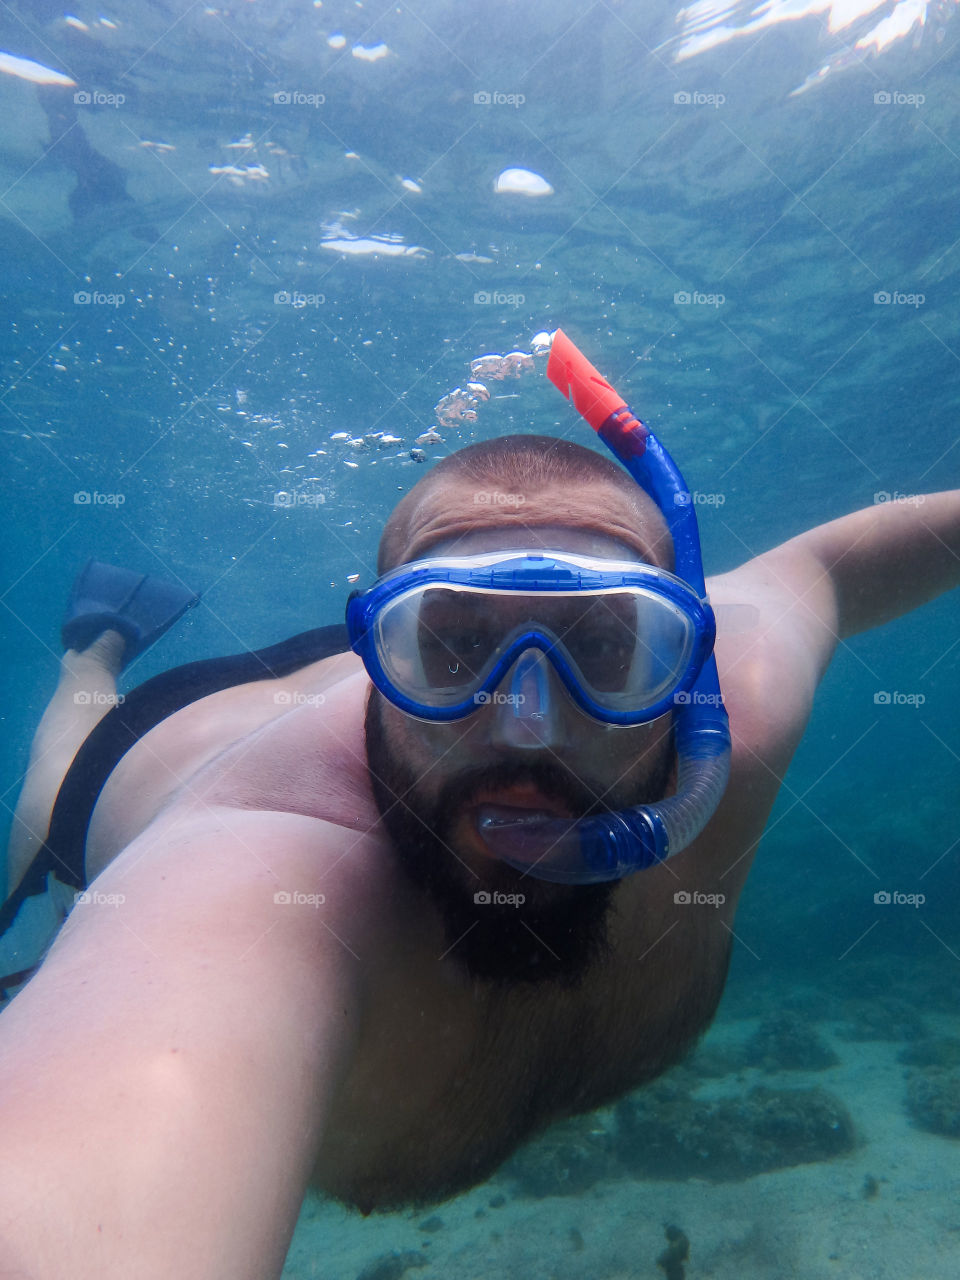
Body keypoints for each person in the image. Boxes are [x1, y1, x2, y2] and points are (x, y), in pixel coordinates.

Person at [0, 333, 957, 1280]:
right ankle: (95, 650)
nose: (527, 730)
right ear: (379, 656)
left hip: (408, 674)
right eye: (456, 641)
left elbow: (835, 565)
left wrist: (456, 650)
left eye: (601, 645)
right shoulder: (265, 879)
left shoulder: (734, 718)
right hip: (148, 757)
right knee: (59, 761)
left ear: (686, 669)